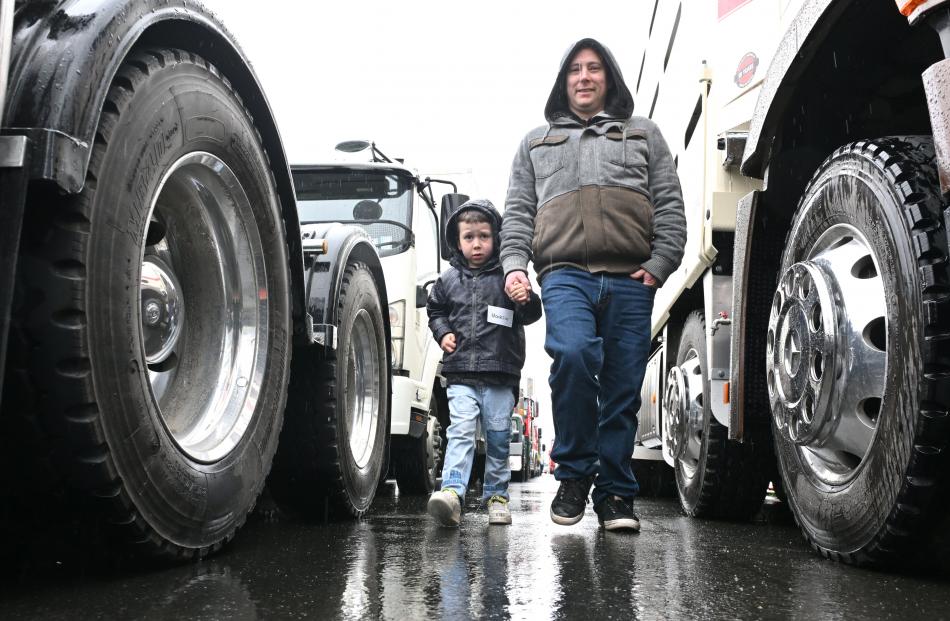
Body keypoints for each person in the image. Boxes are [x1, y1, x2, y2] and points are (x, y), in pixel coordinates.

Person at [500, 38, 686, 532]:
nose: (584, 77)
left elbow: (668, 202)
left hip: (630, 279)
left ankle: (616, 496)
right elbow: (518, 212)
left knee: (623, 388)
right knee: (576, 356)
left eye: (594, 68)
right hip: (564, 275)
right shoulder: (536, 143)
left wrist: (661, 262)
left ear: (610, 77)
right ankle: (576, 474)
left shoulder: (643, 134)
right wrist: (515, 265)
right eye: (575, 70)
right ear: (564, 83)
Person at [426, 199, 542, 527]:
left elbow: (532, 314)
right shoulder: (447, 280)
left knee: (498, 436)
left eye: (484, 236)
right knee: (460, 431)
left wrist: (526, 299)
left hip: (500, 373)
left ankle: (496, 496)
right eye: (468, 237)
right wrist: (443, 333)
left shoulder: (509, 276)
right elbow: (435, 310)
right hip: (461, 372)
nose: (476, 244)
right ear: (457, 241)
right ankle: (452, 494)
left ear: (497, 238)